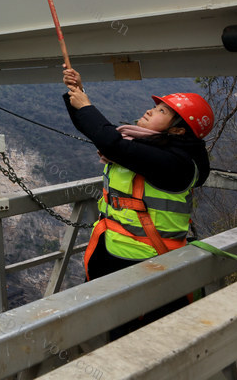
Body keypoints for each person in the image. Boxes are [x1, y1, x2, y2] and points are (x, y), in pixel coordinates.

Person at [62, 66, 212, 334]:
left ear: (178, 131)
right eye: (156, 107)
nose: (150, 111)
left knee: (135, 336)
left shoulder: (176, 164)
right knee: (117, 329)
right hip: (119, 254)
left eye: (162, 111)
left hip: (148, 263)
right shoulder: (151, 149)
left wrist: (87, 106)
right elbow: (109, 140)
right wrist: (78, 93)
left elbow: (114, 145)